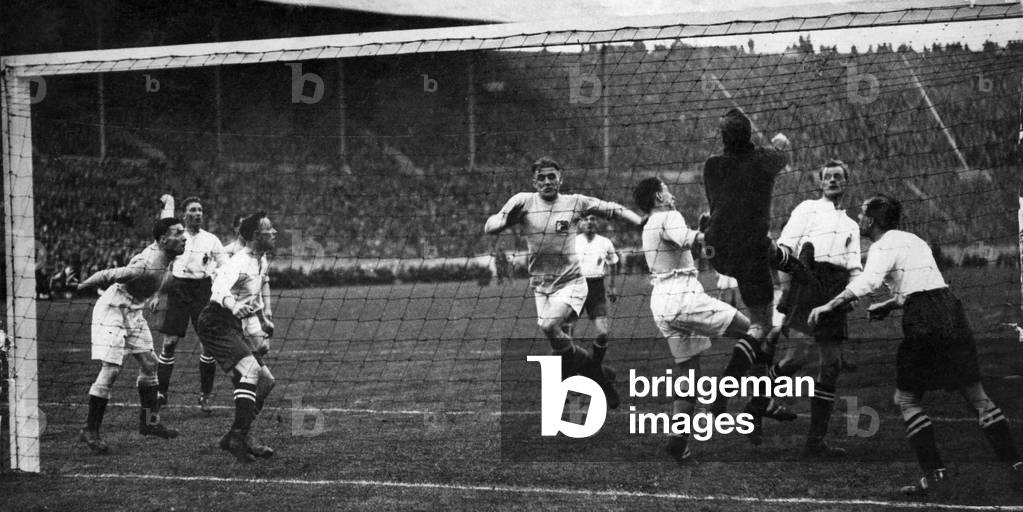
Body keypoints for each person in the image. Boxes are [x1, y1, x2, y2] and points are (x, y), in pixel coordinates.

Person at [808, 194, 1023, 495]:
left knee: (906, 399)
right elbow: (923, 286)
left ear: (871, 220)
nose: (858, 218)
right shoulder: (915, 240)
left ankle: (935, 476)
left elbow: (867, 282)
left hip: (924, 319)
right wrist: (890, 304)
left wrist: (829, 306)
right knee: (977, 396)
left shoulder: (883, 244)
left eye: (862, 213)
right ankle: (1015, 465)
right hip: (951, 310)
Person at [484, 157, 643, 409]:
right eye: (542, 177)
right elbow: (490, 224)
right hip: (540, 286)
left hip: (572, 282)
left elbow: (611, 208)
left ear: (561, 179)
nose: (547, 181)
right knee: (559, 341)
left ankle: (574, 389)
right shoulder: (522, 201)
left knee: (550, 327)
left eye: (552, 176)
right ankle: (597, 375)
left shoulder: (574, 202)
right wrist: (502, 222)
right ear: (534, 182)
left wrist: (640, 222)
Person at [634, 177, 773, 463]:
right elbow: (692, 239)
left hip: (661, 303)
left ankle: (679, 439)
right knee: (760, 331)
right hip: (684, 297)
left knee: (688, 372)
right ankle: (745, 398)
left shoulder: (649, 224)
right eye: (667, 190)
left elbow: (685, 244)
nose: (671, 194)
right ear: (659, 196)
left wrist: (702, 229)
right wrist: (713, 231)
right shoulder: (669, 215)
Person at [747, 160, 862, 455]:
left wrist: (857, 291)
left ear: (846, 182)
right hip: (808, 281)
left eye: (839, 176)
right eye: (828, 177)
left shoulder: (851, 224)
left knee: (832, 365)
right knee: (797, 356)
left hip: (835, 289)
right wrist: (786, 289)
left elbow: (854, 266)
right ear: (820, 183)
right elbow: (783, 249)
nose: (833, 181)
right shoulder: (806, 209)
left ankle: (816, 441)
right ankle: (755, 404)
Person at [77, 218, 186, 453]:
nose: (184, 237)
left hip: (134, 310)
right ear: (164, 239)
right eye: (178, 233)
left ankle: (149, 423)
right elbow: (108, 274)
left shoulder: (167, 252)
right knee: (112, 369)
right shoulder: (144, 264)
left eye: (183, 232)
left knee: (150, 363)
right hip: (113, 309)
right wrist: (80, 284)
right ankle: (90, 429)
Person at [702, 108, 803, 342]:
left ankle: (795, 277)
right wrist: (779, 142)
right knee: (761, 325)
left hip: (718, 248)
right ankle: (737, 373)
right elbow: (781, 154)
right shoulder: (764, 160)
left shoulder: (712, 165)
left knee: (774, 253)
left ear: (723, 137)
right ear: (748, 135)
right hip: (750, 247)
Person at [196, 212, 277, 463]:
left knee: (266, 382)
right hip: (215, 322)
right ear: (255, 235)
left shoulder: (261, 261)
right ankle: (238, 437)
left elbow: (254, 295)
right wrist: (233, 306)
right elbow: (219, 289)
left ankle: (236, 436)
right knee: (251, 371)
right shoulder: (239, 262)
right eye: (269, 229)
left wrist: (262, 318)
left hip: (232, 324)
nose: (274, 232)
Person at [156, 196, 228, 413]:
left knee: (208, 344)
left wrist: (220, 287)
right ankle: (161, 393)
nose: (198, 214)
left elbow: (225, 266)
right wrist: (157, 295)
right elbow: (163, 265)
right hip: (178, 289)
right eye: (193, 210)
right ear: (185, 214)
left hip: (203, 290)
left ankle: (205, 396)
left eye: (200, 210)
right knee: (169, 343)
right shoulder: (176, 237)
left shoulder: (212, 240)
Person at [562, 214, 620, 368]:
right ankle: (569, 369)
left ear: (598, 222)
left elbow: (613, 263)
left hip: (597, 289)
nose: (589, 222)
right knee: (567, 331)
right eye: (585, 219)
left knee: (603, 333)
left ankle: (595, 367)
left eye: (593, 219)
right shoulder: (572, 242)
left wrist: (612, 285)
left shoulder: (605, 242)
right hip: (576, 287)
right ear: (580, 223)